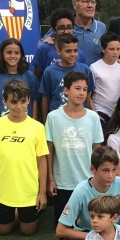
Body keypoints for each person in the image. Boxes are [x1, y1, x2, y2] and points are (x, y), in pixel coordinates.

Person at [0, 79, 48, 235]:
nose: (19, 106)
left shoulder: (37, 127)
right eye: (14, 102)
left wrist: (42, 192)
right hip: (4, 190)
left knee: (27, 231)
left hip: (28, 190)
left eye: (23, 101)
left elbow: (42, 161)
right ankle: (16, 213)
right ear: (5, 102)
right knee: (4, 230)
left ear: (29, 100)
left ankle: (27, 213)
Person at [46, 72, 104, 226]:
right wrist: (50, 180)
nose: (81, 93)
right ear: (66, 90)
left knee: (90, 225)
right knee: (64, 227)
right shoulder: (53, 117)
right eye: (77, 88)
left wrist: (97, 179)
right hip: (63, 183)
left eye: (85, 89)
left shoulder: (93, 117)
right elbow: (49, 152)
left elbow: (97, 152)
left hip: (87, 181)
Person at [41, 0, 106, 65]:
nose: (90, 5)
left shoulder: (101, 28)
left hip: (92, 76)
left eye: (92, 2)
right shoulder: (65, 25)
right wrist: (47, 41)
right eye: (85, 1)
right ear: (75, 5)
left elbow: (106, 53)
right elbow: (41, 45)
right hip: (68, 75)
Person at [39, 34, 95, 120]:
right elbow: (45, 97)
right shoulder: (49, 71)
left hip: (79, 117)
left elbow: (88, 96)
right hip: (57, 118)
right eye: (68, 51)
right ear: (59, 51)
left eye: (75, 51)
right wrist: (45, 120)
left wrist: (87, 116)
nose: (73, 54)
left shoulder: (85, 69)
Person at [0, 38, 40, 119]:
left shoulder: (30, 76)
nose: (13, 56)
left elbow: (34, 101)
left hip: (26, 123)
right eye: (9, 53)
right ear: (2, 54)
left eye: (16, 53)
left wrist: (34, 121)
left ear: (21, 55)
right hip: (5, 124)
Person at [90, 32, 120, 133]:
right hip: (100, 111)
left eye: (117, 49)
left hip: (118, 112)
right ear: (103, 49)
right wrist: (94, 113)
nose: (115, 52)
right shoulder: (94, 67)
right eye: (111, 49)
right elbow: (88, 95)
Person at [33, 9, 80, 80]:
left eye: (69, 27)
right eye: (61, 28)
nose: (66, 31)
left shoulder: (80, 53)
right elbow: (36, 76)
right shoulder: (44, 49)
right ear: (54, 30)